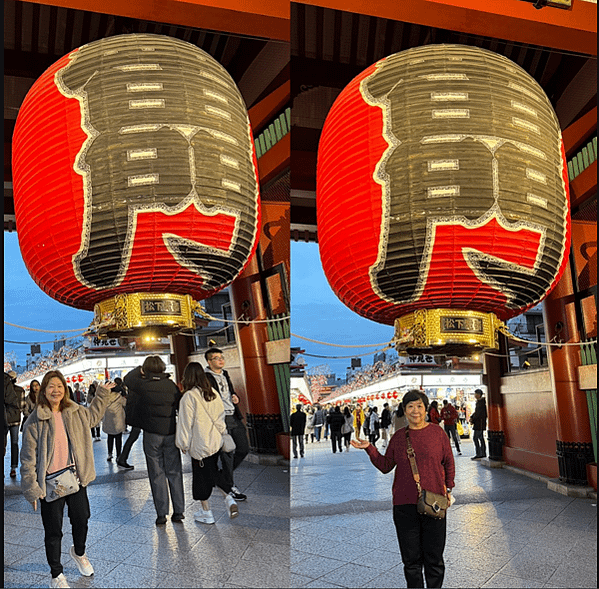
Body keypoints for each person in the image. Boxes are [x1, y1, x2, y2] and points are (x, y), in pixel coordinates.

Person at [20, 370, 118, 588]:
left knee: (82, 519)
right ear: (43, 391)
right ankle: (56, 574)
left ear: (65, 390)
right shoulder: (34, 421)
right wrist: (32, 488)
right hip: (49, 483)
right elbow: (27, 458)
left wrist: (101, 394)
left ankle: (79, 552)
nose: (56, 390)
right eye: (51, 386)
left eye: (59, 386)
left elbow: (93, 417)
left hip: (75, 478)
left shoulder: (75, 411)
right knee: (53, 530)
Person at [352, 390, 455, 588]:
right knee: (411, 560)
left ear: (426, 409)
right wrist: (369, 448)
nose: (415, 411)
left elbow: (449, 462)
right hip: (404, 504)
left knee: (434, 559)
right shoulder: (399, 437)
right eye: (410, 406)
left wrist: (449, 489)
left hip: (434, 502)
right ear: (404, 411)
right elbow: (385, 465)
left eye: (419, 406)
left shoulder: (437, 433)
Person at [124, 356, 185, 525]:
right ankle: (179, 511)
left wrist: (140, 370)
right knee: (174, 472)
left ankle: (162, 514)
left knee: (156, 473)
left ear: (146, 369)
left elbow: (127, 379)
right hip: (171, 432)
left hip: (152, 434)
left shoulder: (143, 385)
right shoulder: (171, 385)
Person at [176, 362, 238, 523]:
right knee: (212, 471)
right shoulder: (213, 394)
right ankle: (228, 498)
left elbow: (185, 423)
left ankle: (207, 512)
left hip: (200, 442)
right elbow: (220, 417)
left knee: (201, 478)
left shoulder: (188, 396)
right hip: (215, 440)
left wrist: (182, 443)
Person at [204, 348, 250, 502]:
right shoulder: (205, 378)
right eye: (216, 358)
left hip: (233, 415)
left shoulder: (225, 374)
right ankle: (229, 486)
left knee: (243, 448)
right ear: (209, 362)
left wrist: (235, 396)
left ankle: (222, 478)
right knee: (227, 453)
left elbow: (229, 391)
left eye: (222, 357)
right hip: (220, 418)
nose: (221, 360)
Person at [116, 378, 141, 470]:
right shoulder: (138, 392)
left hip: (136, 419)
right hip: (139, 418)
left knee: (132, 437)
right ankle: (122, 459)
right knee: (133, 437)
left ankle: (122, 458)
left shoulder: (131, 392)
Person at [5, 371, 24, 478]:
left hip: (5, 418)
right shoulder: (20, 390)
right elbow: (21, 406)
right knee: (14, 443)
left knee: (3, 444)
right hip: (16, 419)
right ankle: (13, 468)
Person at [102, 379, 127, 462]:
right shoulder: (119, 397)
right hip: (118, 421)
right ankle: (118, 455)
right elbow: (125, 403)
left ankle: (109, 454)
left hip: (109, 420)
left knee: (110, 437)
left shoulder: (106, 397)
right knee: (118, 438)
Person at [470, 389, 487, 460]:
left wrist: (472, 419)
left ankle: (479, 453)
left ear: (479, 395)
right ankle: (482, 453)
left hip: (479, 423)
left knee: (476, 438)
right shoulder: (480, 402)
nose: (474, 395)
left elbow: (478, 414)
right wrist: (472, 416)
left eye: (475, 394)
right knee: (480, 438)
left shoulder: (481, 403)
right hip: (480, 423)